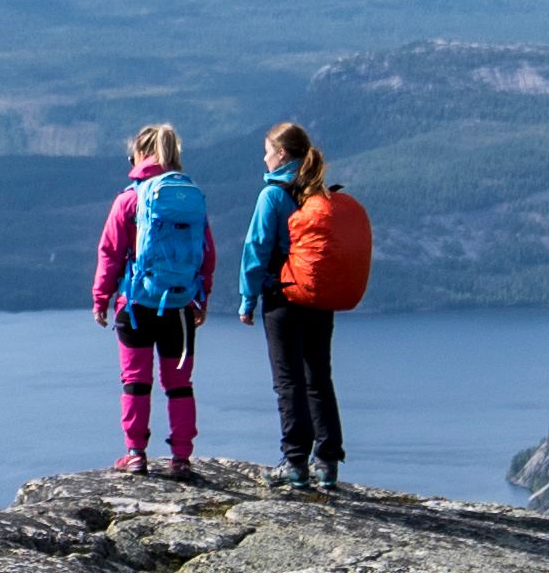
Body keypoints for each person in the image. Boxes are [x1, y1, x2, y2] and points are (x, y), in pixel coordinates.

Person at [239, 120, 364, 495]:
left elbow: (256, 249)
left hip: (283, 298)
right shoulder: (317, 192)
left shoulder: (273, 195)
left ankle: (295, 464)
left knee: (288, 380)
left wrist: (247, 299)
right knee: (318, 377)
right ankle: (326, 463)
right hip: (317, 296)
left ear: (281, 154)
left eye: (267, 151)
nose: (263, 157)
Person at [88, 122, 214, 471]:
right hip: (179, 304)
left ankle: (136, 455)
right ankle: (181, 458)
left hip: (136, 303)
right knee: (179, 384)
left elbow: (110, 253)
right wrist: (202, 297)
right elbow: (207, 252)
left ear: (138, 155)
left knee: (136, 382)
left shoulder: (128, 200)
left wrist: (101, 298)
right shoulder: (191, 198)